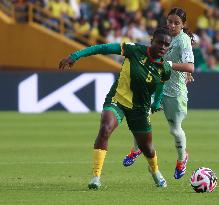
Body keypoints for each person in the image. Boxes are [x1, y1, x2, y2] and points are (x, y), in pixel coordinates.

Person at [59, 27, 194, 189]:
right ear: (152, 41)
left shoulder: (164, 68)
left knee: (147, 149)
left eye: (166, 45)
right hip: (118, 100)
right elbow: (103, 48)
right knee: (105, 129)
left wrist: (157, 103)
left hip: (140, 109)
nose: (163, 47)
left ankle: (155, 171)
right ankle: (95, 177)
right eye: (160, 43)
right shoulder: (134, 50)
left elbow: (160, 86)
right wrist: (75, 55)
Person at [122, 7, 195, 180]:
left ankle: (182, 158)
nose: (172, 25)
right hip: (156, 85)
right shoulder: (164, 35)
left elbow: (190, 66)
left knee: (175, 130)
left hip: (175, 91)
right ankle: (138, 148)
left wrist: (168, 64)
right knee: (141, 117)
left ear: (183, 25)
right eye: (170, 21)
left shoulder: (183, 41)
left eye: (177, 23)